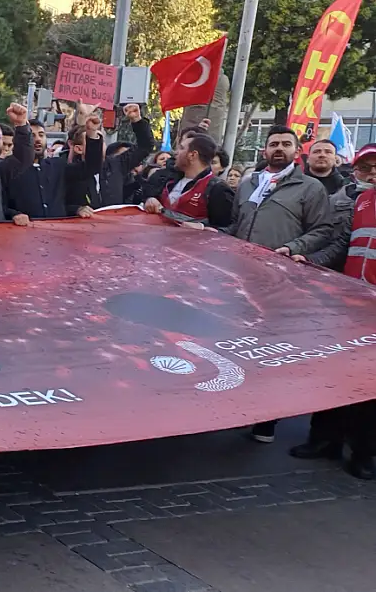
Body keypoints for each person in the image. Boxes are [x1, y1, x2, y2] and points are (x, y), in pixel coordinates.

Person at [212, 125, 333, 445]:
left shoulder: (310, 188)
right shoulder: (249, 183)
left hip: (281, 284)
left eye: (285, 144)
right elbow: (236, 226)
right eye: (273, 144)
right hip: (240, 281)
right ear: (264, 151)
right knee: (238, 345)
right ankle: (239, 409)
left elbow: (323, 230)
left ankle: (267, 419)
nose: (279, 149)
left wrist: (293, 248)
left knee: (269, 352)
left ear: (297, 151)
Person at [288, 144, 376, 480]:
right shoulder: (361, 201)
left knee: (371, 386)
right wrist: (309, 261)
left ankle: (364, 452)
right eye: (365, 166)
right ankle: (325, 439)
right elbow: (342, 244)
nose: (370, 172)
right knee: (336, 374)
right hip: (350, 304)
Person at [1, 107, 102, 221]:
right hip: (22, 233)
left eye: (41, 134)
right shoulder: (7, 167)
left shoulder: (58, 166)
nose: (38, 139)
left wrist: (92, 134)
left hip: (56, 233)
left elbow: (91, 168)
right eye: (32, 135)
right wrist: (14, 215)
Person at [143, 133, 233, 228]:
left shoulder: (217, 188)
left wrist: (202, 228)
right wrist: (150, 199)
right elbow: (146, 193)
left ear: (193, 155)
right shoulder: (169, 179)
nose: (175, 152)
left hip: (191, 242)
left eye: (181, 148)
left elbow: (227, 229)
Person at [77, 103, 154, 209]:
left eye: (99, 138)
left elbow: (145, 147)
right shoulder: (70, 168)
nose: (96, 142)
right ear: (78, 148)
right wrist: (82, 121)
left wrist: (137, 120)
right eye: (91, 138)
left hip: (112, 222)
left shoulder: (116, 164)